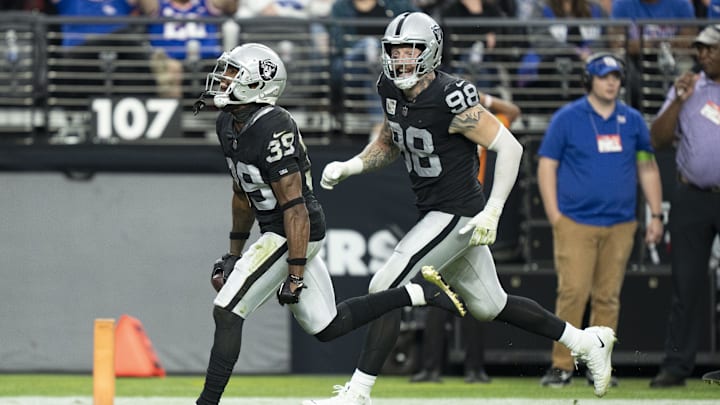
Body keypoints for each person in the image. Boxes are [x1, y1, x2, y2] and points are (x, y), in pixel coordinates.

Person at [302, 12, 617, 405]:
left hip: (458, 212)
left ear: (430, 51)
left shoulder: (451, 97)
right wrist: (354, 165)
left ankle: (359, 393)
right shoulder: (390, 88)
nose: (400, 59)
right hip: (436, 210)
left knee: (384, 284)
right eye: (394, 51)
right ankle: (587, 341)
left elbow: (510, 147)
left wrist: (494, 210)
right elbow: (390, 140)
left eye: (409, 50)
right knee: (490, 305)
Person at [191, 42, 466, 405]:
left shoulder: (274, 126)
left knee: (227, 311)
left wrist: (295, 272)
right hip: (283, 229)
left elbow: (295, 209)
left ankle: (205, 403)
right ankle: (419, 294)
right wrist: (233, 253)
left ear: (259, 83)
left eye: (232, 73)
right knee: (327, 327)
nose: (223, 80)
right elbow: (242, 193)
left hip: (290, 231)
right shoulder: (228, 121)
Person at [536, 52, 664, 388]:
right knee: (573, 293)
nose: (611, 82)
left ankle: (598, 365)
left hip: (621, 223)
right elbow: (547, 164)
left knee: (608, 297)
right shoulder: (568, 118)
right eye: (604, 76)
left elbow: (647, 166)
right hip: (575, 221)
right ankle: (562, 365)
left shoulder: (633, 120)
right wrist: (555, 215)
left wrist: (656, 213)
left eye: (616, 77)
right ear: (588, 80)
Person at [648, 24, 720, 388]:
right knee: (686, 284)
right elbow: (657, 139)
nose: (704, 55)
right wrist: (678, 98)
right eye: (701, 49)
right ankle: (676, 366)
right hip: (692, 197)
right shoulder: (689, 89)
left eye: (711, 49)